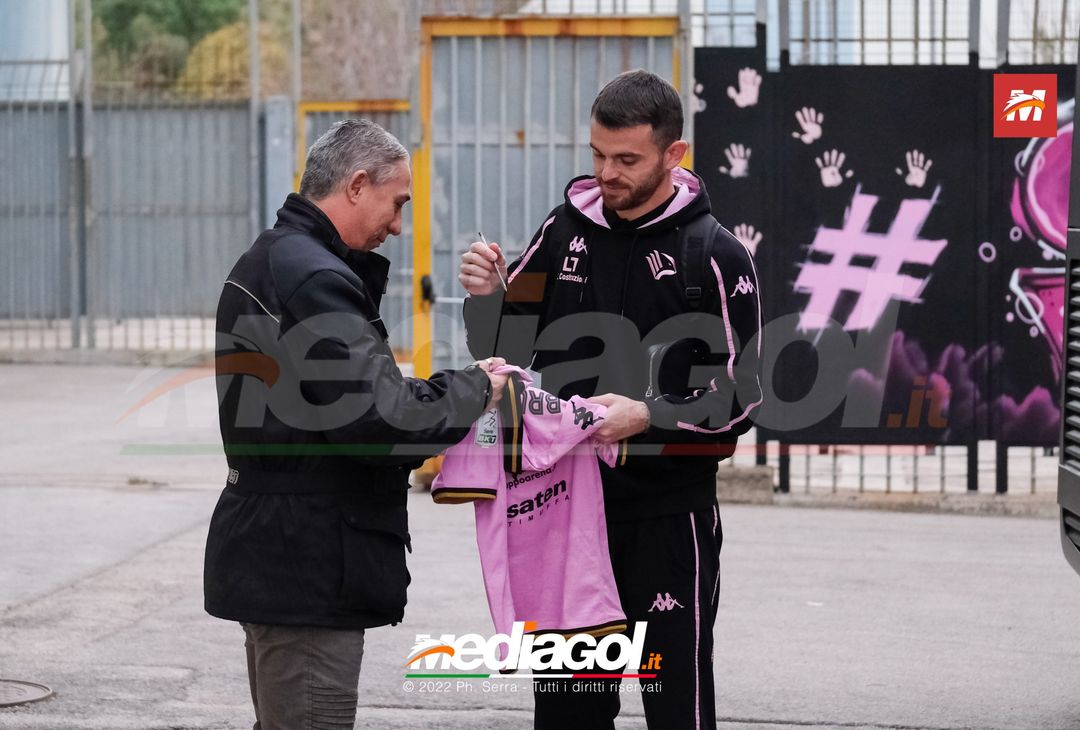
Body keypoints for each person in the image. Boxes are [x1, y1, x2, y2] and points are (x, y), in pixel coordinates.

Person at [458, 70, 763, 730]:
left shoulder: (714, 254)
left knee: (674, 705)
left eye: (626, 159)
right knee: (570, 710)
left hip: (666, 516)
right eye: (597, 154)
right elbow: (508, 345)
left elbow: (742, 396)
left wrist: (648, 415)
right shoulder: (566, 227)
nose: (607, 174)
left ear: (673, 155)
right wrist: (486, 296)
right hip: (565, 512)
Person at [205, 119, 508, 730]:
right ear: (357, 184)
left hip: (281, 553)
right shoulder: (313, 279)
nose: (397, 225)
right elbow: (379, 418)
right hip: (306, 569)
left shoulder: (274, 259)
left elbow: (356, 395)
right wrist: (475, 387)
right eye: (396, 204)